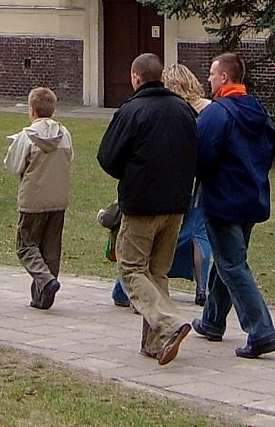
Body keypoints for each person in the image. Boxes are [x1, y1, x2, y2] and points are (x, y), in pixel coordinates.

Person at [96, 53, 198, 366]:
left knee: (131, 269)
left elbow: (108, 158)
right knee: (157, 272)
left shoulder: (131, 110)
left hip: (142, 204)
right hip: (177, 204)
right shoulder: (184, 109)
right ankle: (155, 344)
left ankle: (169, 323)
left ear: (136, 77)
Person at [191, 52, 275, 360]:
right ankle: (212, 321)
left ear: (225, 78)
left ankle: (261, 331)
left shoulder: (218, 113)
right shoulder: (257, 110)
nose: (209, 79)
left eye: (212, 75)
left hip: (222, 199)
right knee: (228, 258)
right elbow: (269, 150)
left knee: (232, 264)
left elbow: (201, 156)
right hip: (251, 196)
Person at [110, 62, 211, 308]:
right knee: (186, 244)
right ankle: (200, 288)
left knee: (136, 261)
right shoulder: (203, 111)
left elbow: (111, 157)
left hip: (150, 194)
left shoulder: (156, 109)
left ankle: (161, 317)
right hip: (188, 188)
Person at [4, 86, 73, 310]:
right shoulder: (65, 134)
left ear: (32, 110)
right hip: (58, 199)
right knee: (51, 250)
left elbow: (13, 166)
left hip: (32, 200)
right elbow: (69, 158)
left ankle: (45, 280)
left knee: (26, 245)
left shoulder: (26, 137)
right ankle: (43, 299)